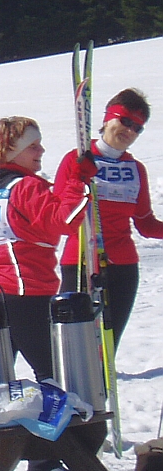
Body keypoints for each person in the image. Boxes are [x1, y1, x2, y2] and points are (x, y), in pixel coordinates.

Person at [0, 116, 95, 471]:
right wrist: (79, 181)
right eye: (33, 146)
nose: (41, 151)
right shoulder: (26, 187)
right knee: (52, 379)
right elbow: (66, 219)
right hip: (22, 291)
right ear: (13, 151)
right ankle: (45, 463)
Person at [54, 89, 163, 346]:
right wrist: (78, 178)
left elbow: (145, 223)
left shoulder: (135, 169)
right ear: (107, 118)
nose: (130, 131)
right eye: (125, 121)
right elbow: (59, 217)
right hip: (80, 262)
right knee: (74, 347)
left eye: (137, 128)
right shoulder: (75, 159)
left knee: (106, 347)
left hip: (122, 267)